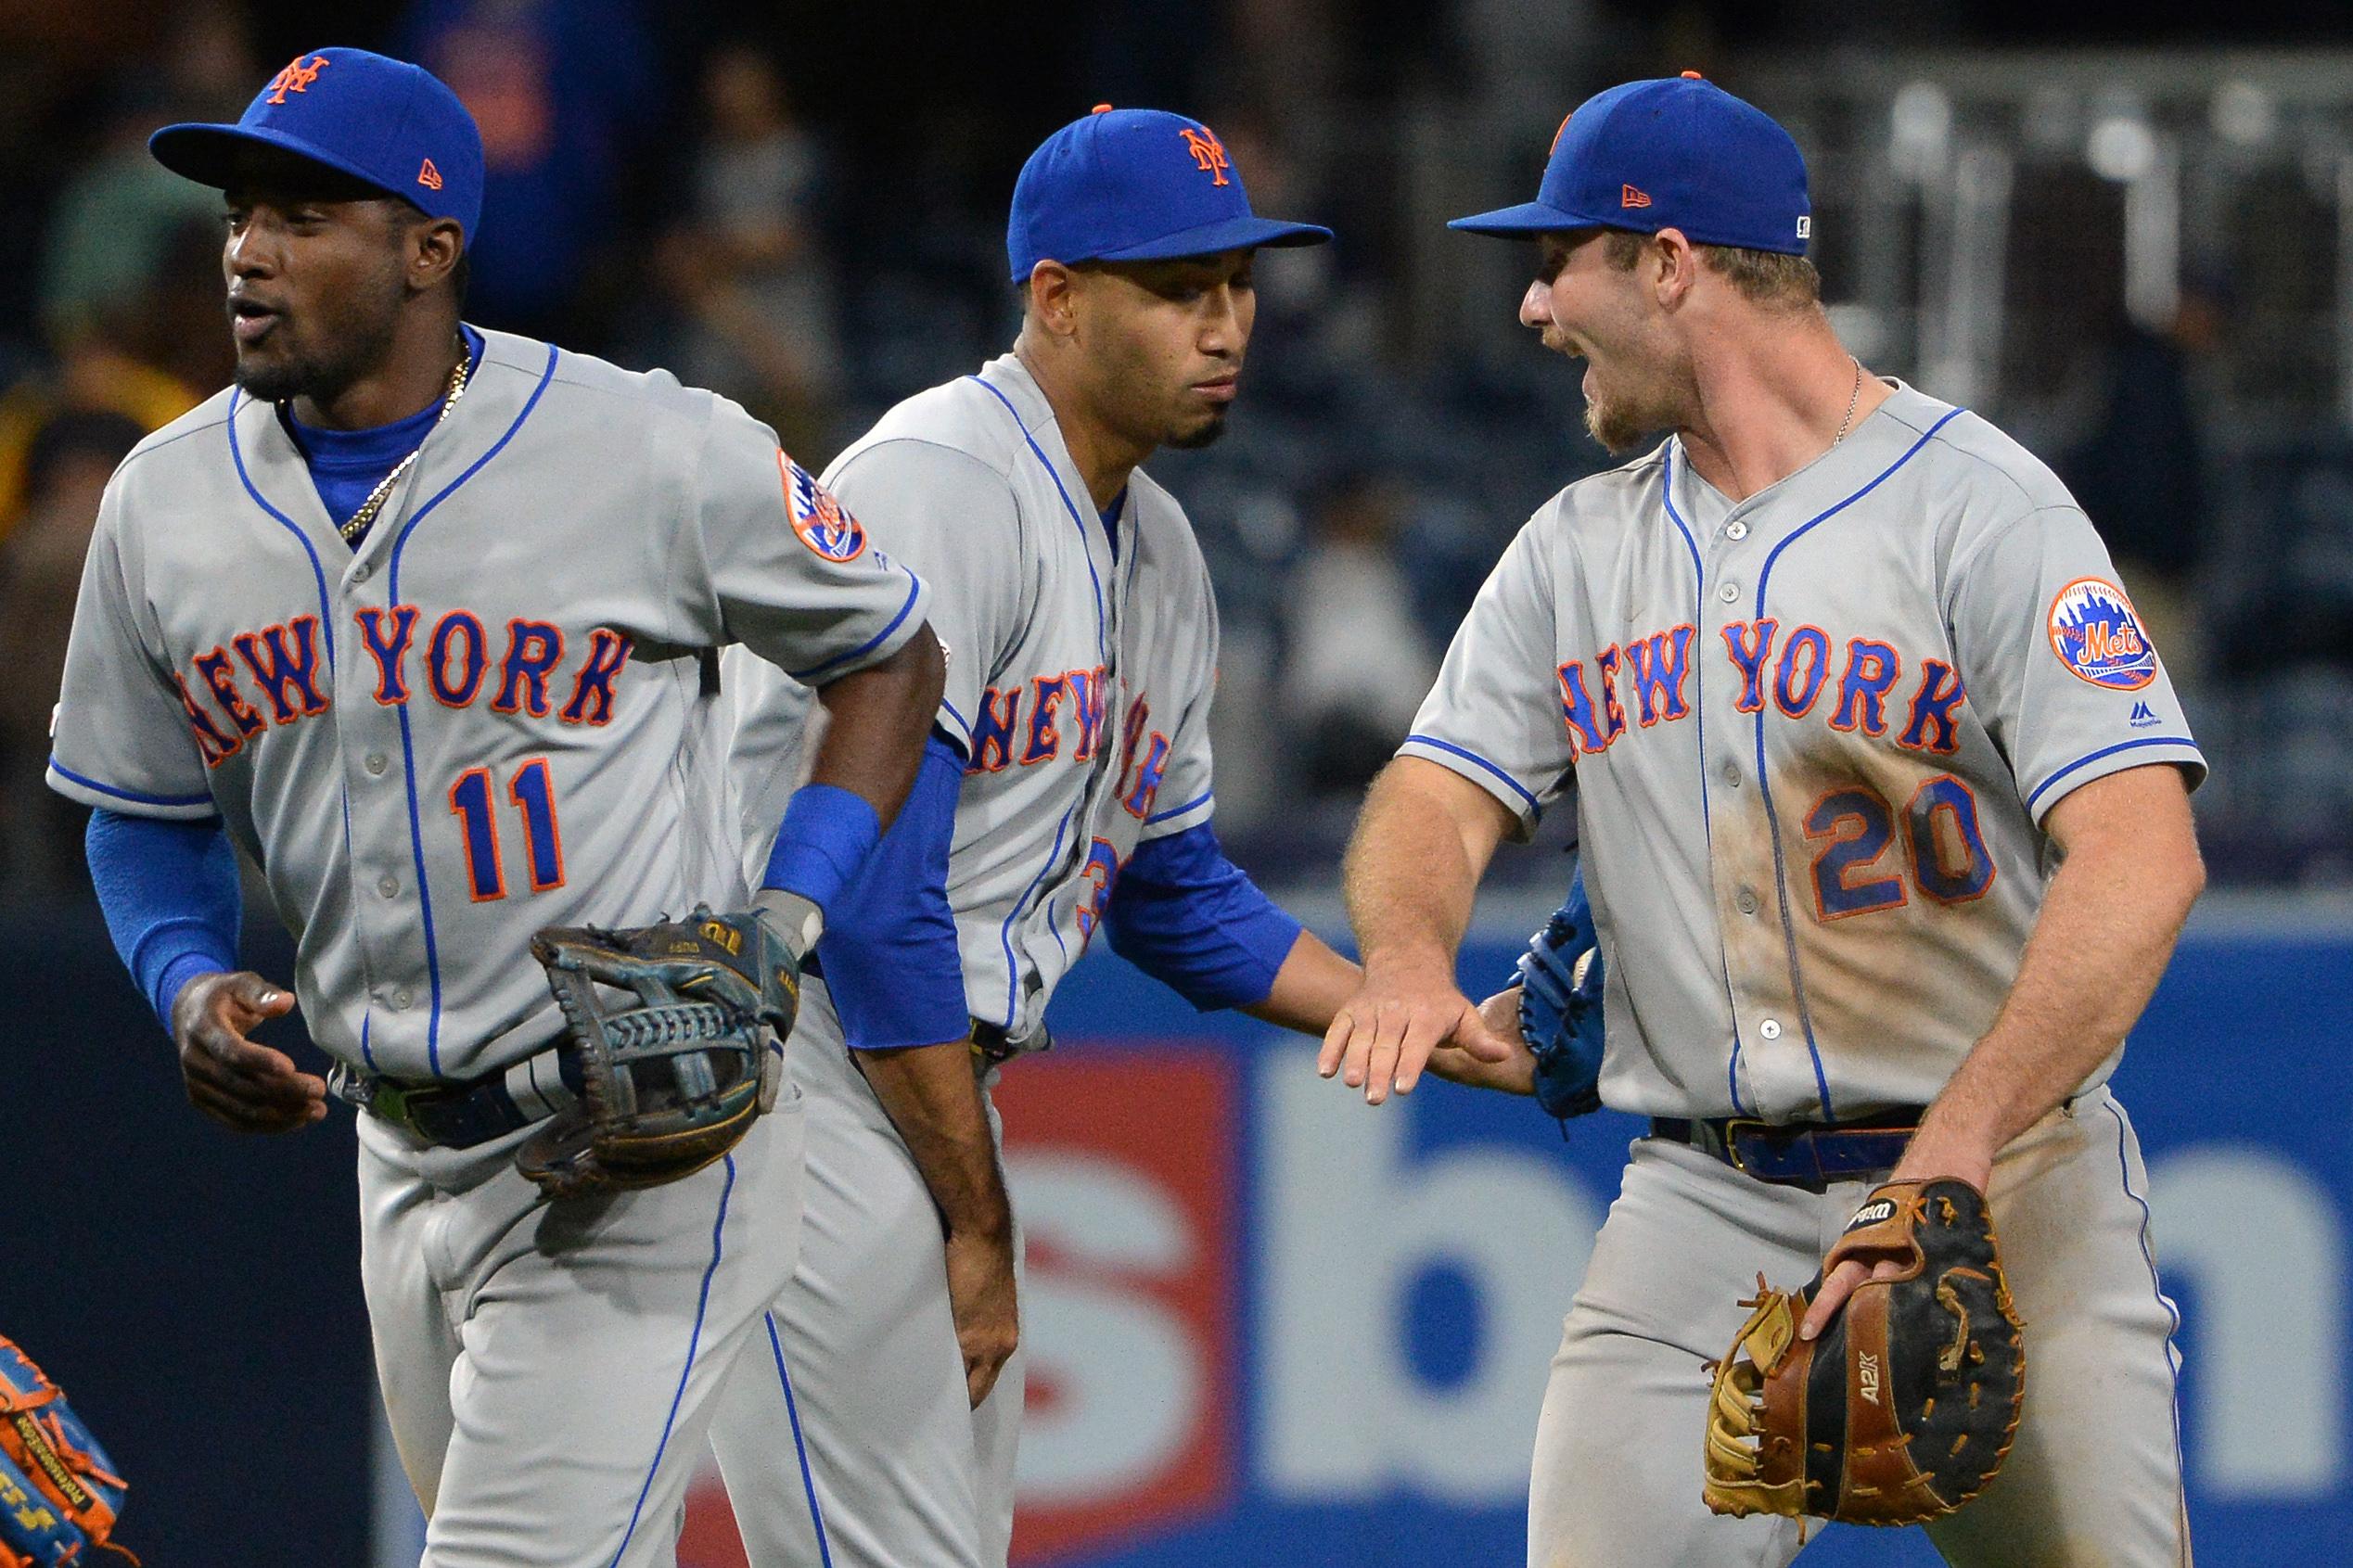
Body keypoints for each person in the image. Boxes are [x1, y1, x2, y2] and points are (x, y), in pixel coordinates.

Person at [46, 48, 945, 1566]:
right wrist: (185, 979)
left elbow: (888, 649)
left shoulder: (646, 445)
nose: (248, 250)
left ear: (429, 248)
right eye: (240, 211)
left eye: (306, 212)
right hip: (394, 1157)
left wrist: (784, 921)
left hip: (644, 1143)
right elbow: (140, 809)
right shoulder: (166, 500)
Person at [1318, 74, 2205, 1567]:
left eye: (1557, 261)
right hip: (1702, 1201)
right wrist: (1406, 958)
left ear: (1667, 263)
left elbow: (2143, 852)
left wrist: (1956, 1154)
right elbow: (1430, 793)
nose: (1533, 309)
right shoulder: (1574, 549)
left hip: (2004, 1187)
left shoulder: (1979, 510)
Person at [706, 106, 1382, 1568]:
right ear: (1056, 298)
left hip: (914, 1084)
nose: (1224, 326)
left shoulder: (1166, 551)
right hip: (801, 1065)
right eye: (1175, 289)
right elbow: (875, 903)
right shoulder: (946, 481)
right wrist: (978, 1222)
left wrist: (1414, 1018)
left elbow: (1173, 892)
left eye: (1237, 286)